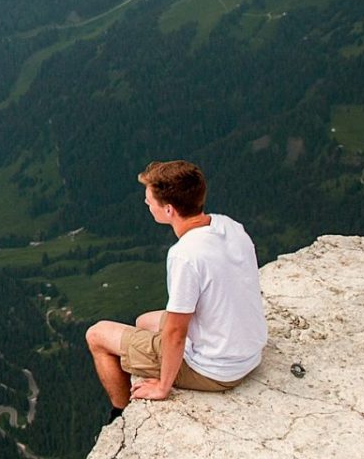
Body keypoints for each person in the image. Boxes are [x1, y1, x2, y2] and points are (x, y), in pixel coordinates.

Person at [84, 160, 267, 418]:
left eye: (150, 201)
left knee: (97, 335)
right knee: (144, 321)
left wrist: (162, 387)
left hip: (216, 370)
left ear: (168, 210)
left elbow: (175, 334)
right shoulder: (229, 226)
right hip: (248, 352)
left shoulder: (185, 255)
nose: (146, 204)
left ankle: (120, 416)